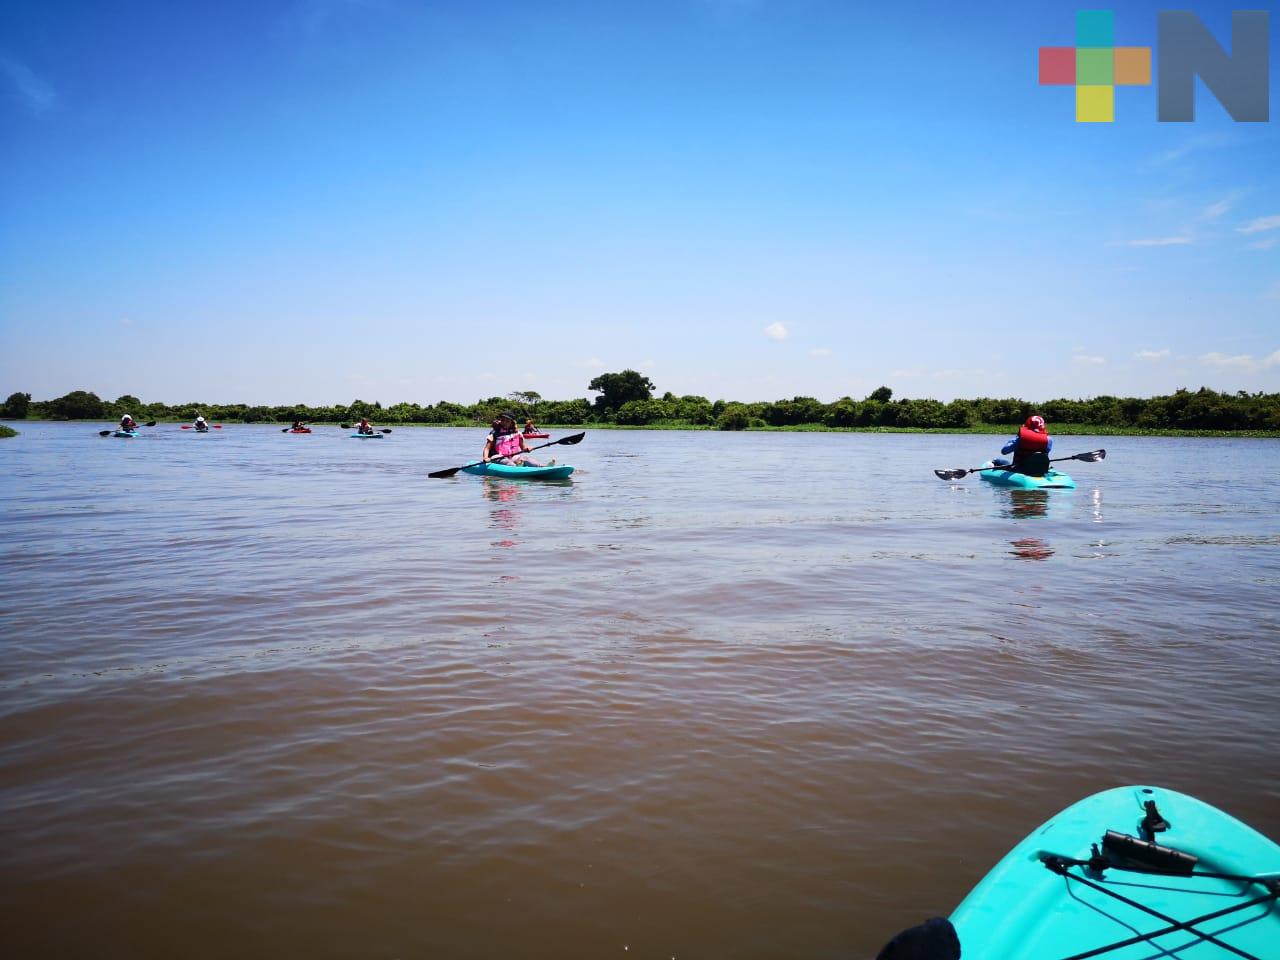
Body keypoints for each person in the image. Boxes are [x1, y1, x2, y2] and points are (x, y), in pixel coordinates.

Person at [484, 412, 553, 467]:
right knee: (503, 459)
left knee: (525, 458)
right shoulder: (495, 433)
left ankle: (543, 467)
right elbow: (487, 448)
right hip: (497, 457)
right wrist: (485, 458)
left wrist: (528, 449)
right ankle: (516, 467)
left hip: (513, 457)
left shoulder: (518, 433)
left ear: (512, 422)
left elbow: (523, 448)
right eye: (502, 420)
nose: (504, 422)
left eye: (507, 421)